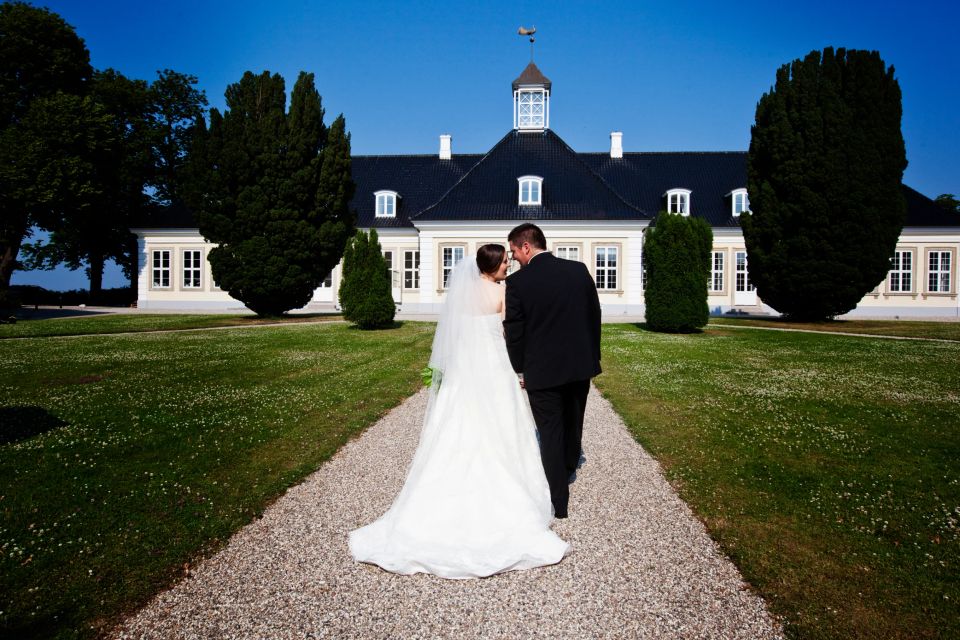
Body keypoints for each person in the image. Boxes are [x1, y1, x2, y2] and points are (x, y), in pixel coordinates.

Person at [349, 244, 568, 579]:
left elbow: (455, 335)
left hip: (465, 369)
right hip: (494, 368)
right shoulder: (502, 291)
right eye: (504, 262)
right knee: (502, 426)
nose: (508, 266)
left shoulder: (463, 294)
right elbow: (509, 332)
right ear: (492, 266)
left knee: (455, 426)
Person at [504, 223, 602, 519]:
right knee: (574, 422)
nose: (513, 258)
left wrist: (520, 370)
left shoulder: (518, 283)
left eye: (513, 251)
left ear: (526, 247)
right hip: (579, 365)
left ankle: (559, 503)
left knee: (550, 432)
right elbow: (594, 315)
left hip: (542, 370)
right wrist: (592, 356)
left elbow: (515, 332)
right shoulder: (579, 270)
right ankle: (569, 467)